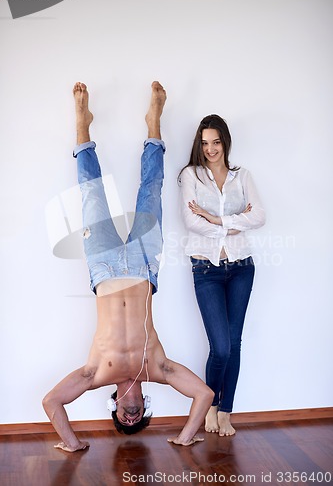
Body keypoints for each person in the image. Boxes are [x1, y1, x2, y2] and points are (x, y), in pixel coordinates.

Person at [42, 81, 213, 452]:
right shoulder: (157, 367)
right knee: (151, 189)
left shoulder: (94, 374)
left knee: (90, 192)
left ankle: (82, 125)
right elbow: (204, 394)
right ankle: (154, 123)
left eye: (125, 419)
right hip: (142, 266)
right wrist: (185, 438)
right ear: (145, 406)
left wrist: (73, 444)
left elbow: (51, 402)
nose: (131, 416)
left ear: (115, 407)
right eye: (138, 418)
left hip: (102, 268)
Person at [178, 114, 265, 437]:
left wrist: (216, 220)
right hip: (206, 269)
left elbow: (260, 216)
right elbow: (190, 222)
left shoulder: (242, 176)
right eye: (204, 143)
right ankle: (210, 404)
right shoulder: (191, 176)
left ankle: (225, 411)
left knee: (235, 343)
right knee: (221, 347)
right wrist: (233, 220)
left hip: (242, 266)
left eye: (216, 142)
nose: (211, 149)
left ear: (225, 141)